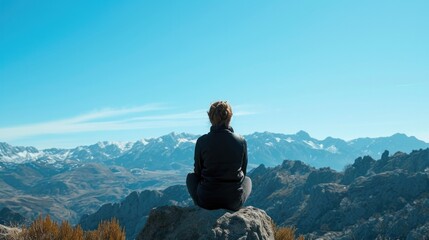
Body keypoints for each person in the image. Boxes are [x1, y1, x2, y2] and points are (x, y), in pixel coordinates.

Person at [186, 101, 252, 211]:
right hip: (233, 202)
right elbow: (243, 172)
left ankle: (200, 207)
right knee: (248, 180)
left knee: (191, 177)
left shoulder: (202, 141)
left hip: (207, 201)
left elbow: (197, 172)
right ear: (230, 117)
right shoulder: (241, 141)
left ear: (210, 118)